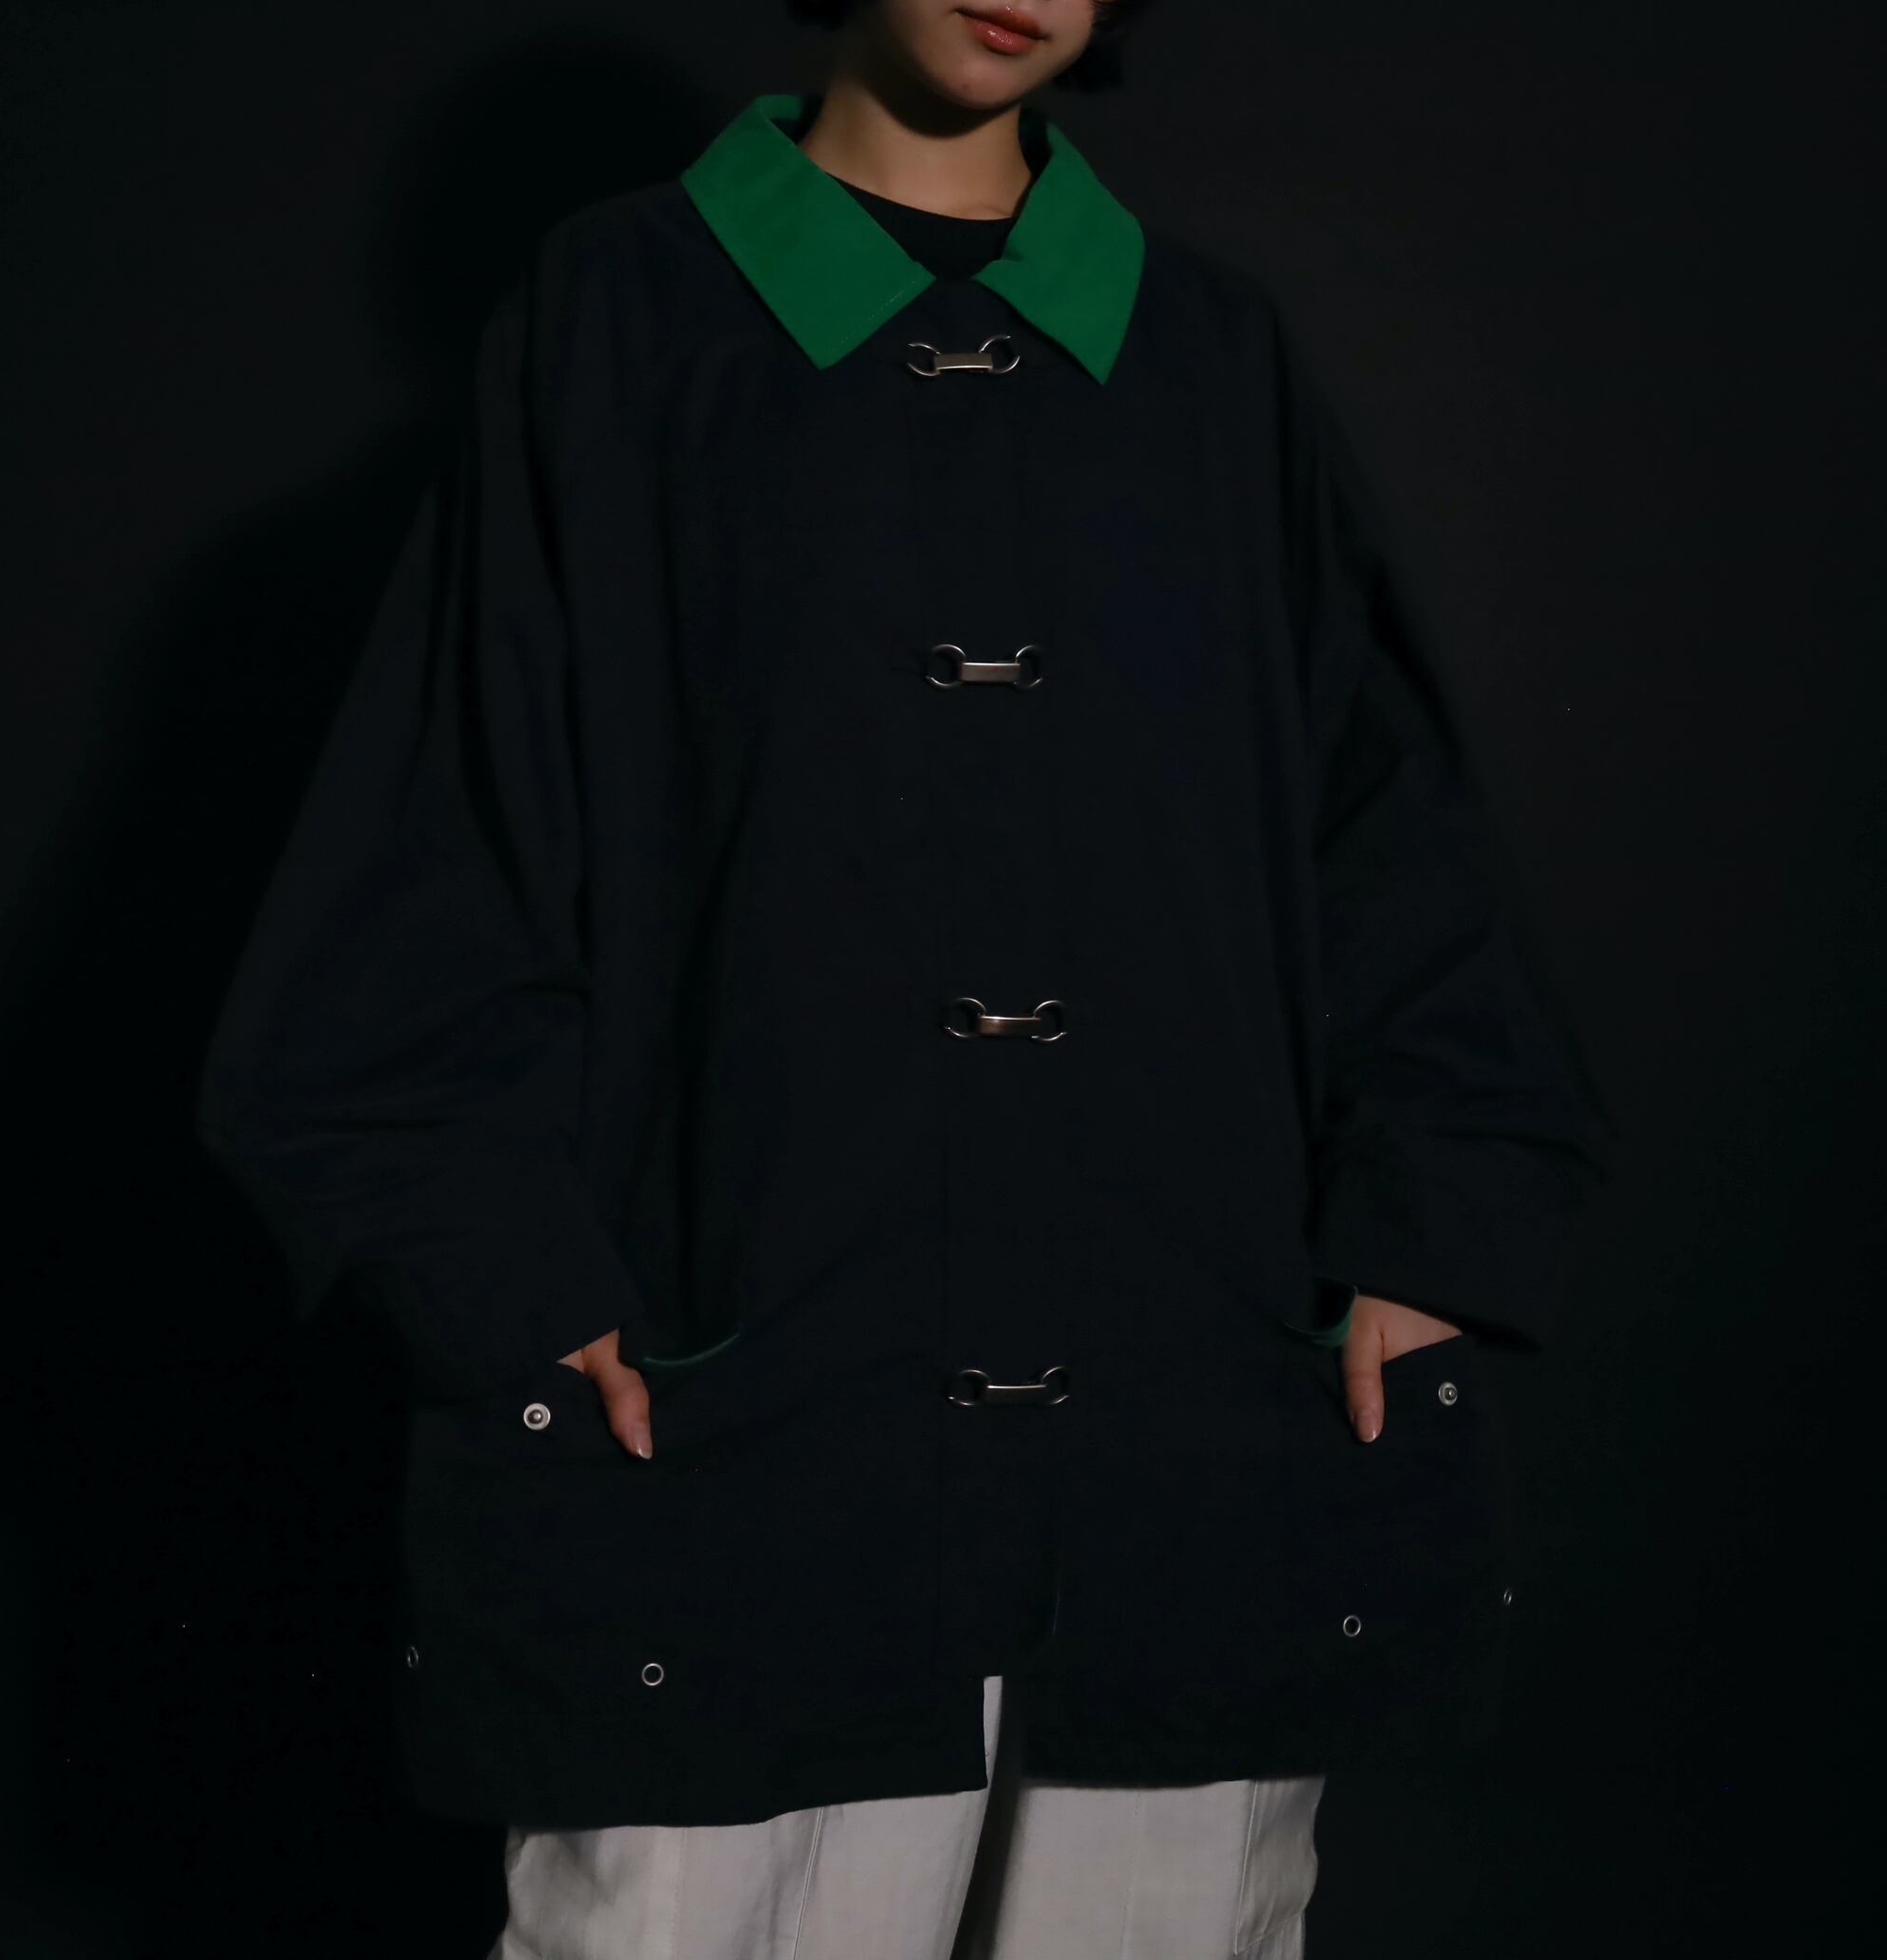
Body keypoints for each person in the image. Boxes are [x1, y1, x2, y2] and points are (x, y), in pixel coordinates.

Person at [193, 3, 1617, 1954]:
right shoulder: (620, 315)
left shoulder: (1209, 351)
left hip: (1188, 1394)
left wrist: (1429, 1229)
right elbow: (445, 831)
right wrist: (511, 1289)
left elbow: (1392, 838)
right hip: (741, 1393)